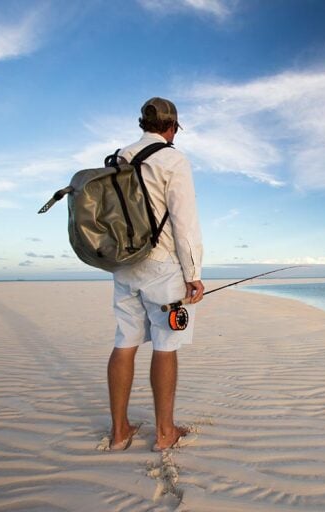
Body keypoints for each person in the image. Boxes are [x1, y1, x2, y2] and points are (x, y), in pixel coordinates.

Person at [107, 97, 204, 451]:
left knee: (125, 342)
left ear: (142, 124)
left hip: (123, 264)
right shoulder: (173, 159)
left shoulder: (119, 157)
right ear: (172, 127)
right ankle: (165, 433)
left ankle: (119, 432)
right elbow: (184, 222)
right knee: (166, 345)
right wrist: (193, 273)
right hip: (162, 265)